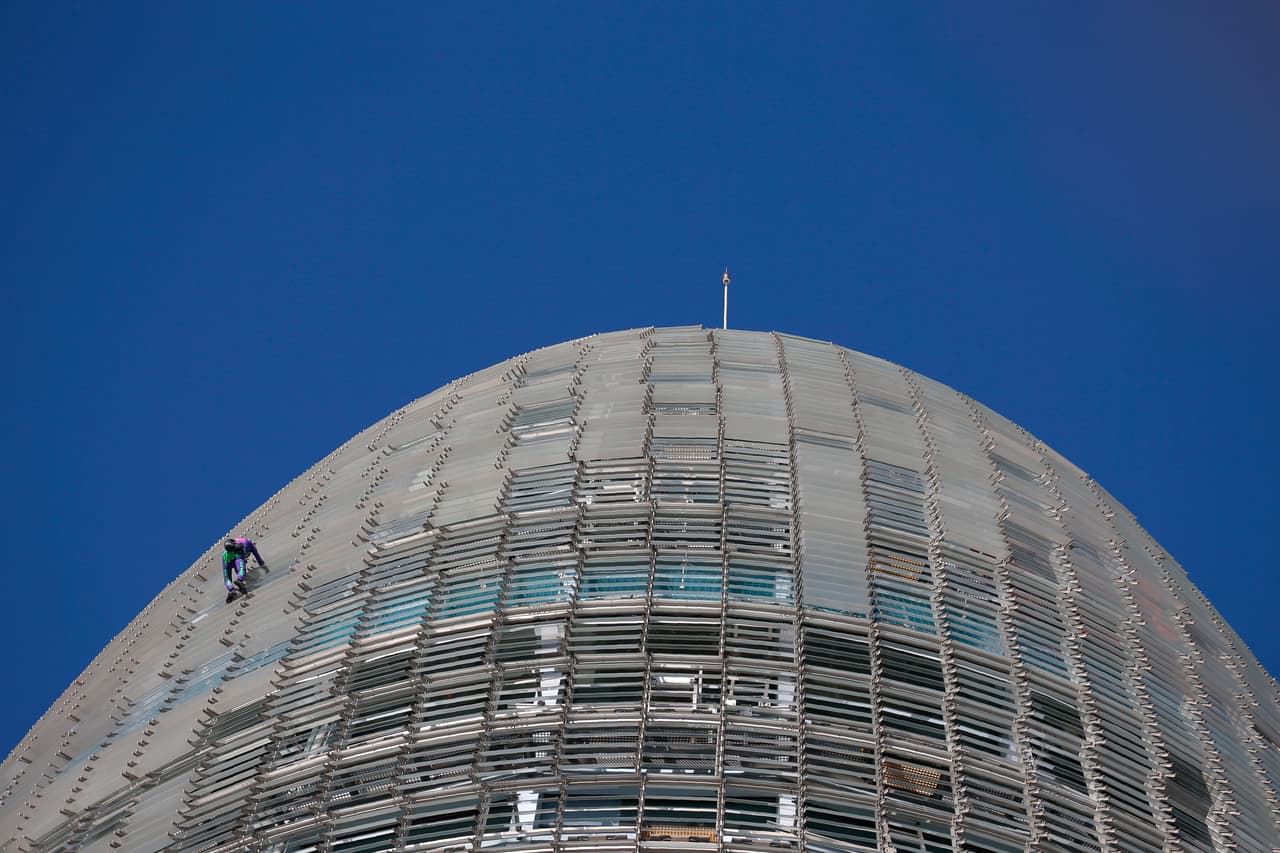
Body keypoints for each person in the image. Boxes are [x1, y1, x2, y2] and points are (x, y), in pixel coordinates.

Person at [222, 537, 267, 601]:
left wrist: (231, 588)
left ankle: (232, 589)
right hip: (234, 554)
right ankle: (239, 580)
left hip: (226, 557)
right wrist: (263, 565)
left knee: (227, 577)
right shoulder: (247, 545)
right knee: (241, 568)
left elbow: (227, 576)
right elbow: (257, 556)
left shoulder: (227, 553)